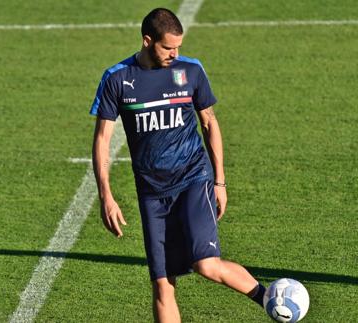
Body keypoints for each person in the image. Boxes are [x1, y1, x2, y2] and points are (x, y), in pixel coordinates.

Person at [90, 8, 266, 322]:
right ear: (147, 41)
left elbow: (210, 124)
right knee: (162, 284)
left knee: (206, 264)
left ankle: (270, 299)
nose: (175, 53)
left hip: (192, 179)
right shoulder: (117, 78)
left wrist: (220, 182)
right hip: (152, 194)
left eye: (178, 47)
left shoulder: (191, 71)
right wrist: (106, 195)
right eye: (168, 47)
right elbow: (103, 137)